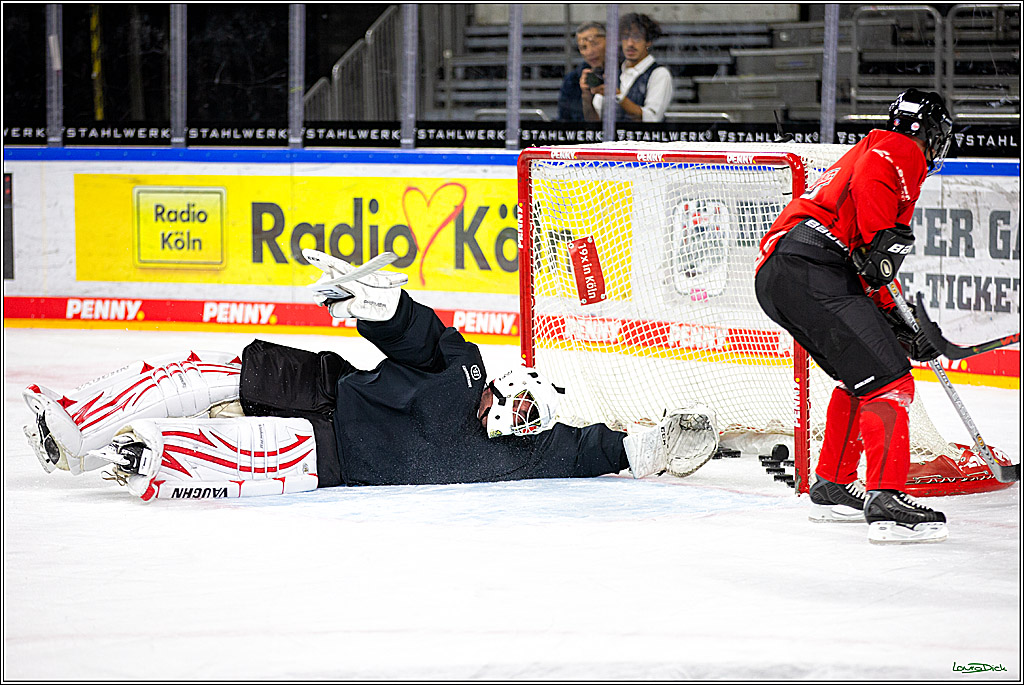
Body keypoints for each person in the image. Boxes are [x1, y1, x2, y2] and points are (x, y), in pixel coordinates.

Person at [21, 249, 720, 501]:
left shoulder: (539, 451)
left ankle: (134, 456)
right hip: (332, 386)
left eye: (523, 422)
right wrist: (380, 305)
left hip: (331, 456)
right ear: (506, 385)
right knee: (204, 370)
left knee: (230, 453)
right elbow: (420, 335)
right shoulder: (467, 367)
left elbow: (601, 449)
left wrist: (650, 447)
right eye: (509, 406)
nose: (506, 420)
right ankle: (73, 428)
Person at [753, 89, 955, 544]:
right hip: (813, 270)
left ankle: (833, 484)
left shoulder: (867, 146)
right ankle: (886, 499)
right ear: (928, 131)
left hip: (781, 274)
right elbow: (873, 249)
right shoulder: (899, 148)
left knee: (860, 377)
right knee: (891, 382)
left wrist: (898, 323)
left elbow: (863, 263)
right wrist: (885, 241)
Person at [584, 13, 673, 123]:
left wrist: (617, 95)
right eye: (625, 37)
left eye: (637, 37)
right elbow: (595, 120)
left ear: (648, 41)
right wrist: (586, 96)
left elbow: (651, 119)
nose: (630, 43)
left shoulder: (659, 74)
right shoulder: (613, 73)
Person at [556, 21, 605, 122]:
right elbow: (564, 119)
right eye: (583, 47)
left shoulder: (624, 71)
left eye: (595, 44)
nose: (590, 52)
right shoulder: (572, 80)